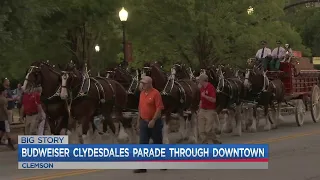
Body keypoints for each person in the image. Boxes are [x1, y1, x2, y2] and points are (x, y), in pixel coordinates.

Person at [133, 76, 165, 173]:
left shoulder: (156, 93)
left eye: (144, 83)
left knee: (157, 143)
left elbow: (159, 109)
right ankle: (143, 166)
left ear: (150, 84)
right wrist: (138, 121)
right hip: (144, 121)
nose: (142, 85)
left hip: (154, 122)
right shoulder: (142, 93)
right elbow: (140, 108)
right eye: (141, 83)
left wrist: (154, 120)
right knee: (143, 144)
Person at [197, 74, 221, 144]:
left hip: (210, 111)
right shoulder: (202, 88)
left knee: (208, 130)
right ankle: (204, 143)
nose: (198, 81)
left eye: (199, 80)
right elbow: (201, 100)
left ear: (202, 80)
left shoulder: (211, 88)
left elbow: (214, 100)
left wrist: (205, 96)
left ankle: (215, 140)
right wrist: (199, 110)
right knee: (201, 129)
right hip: (202, 110)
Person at [0, 85, 16, 150]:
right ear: (2, 91)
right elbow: (4, 108)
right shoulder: (3, 99)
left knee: (3, 130)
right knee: (7, 129)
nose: (6, 92)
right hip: (3, 118)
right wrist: (8, 114)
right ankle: (10, 142)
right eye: (5, 91)